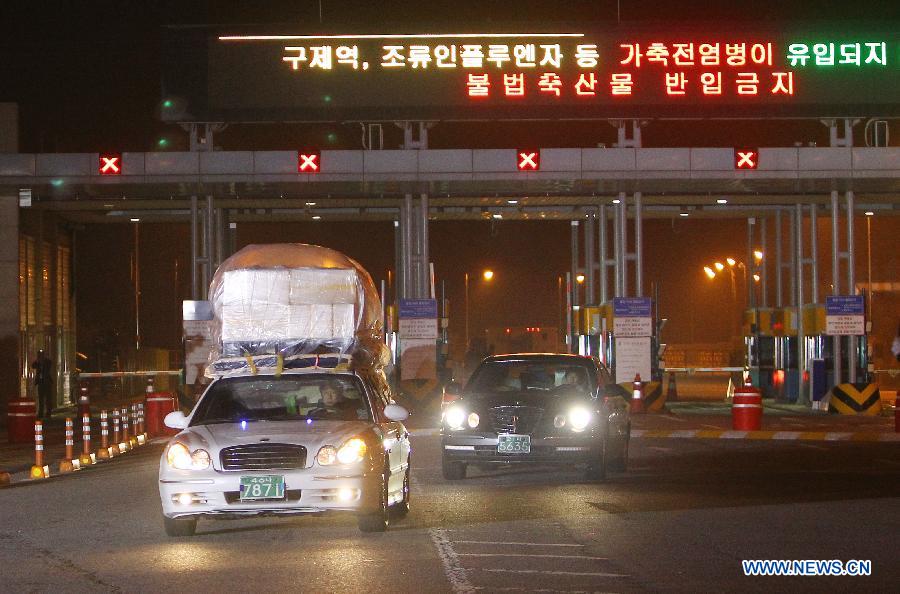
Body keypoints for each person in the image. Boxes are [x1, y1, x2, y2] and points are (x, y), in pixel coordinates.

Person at [31, 350, 54, 419]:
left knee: (48, 398)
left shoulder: (47, 361)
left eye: (41, 355)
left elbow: (49, 366)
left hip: (47, 382)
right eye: (39, 355)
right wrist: (38, 361)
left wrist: (42, 363)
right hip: (40, 382)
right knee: (41, 399)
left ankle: (48, 412)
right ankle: (41, 413)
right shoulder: (37, 362)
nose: (40, 356)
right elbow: (33, 366)